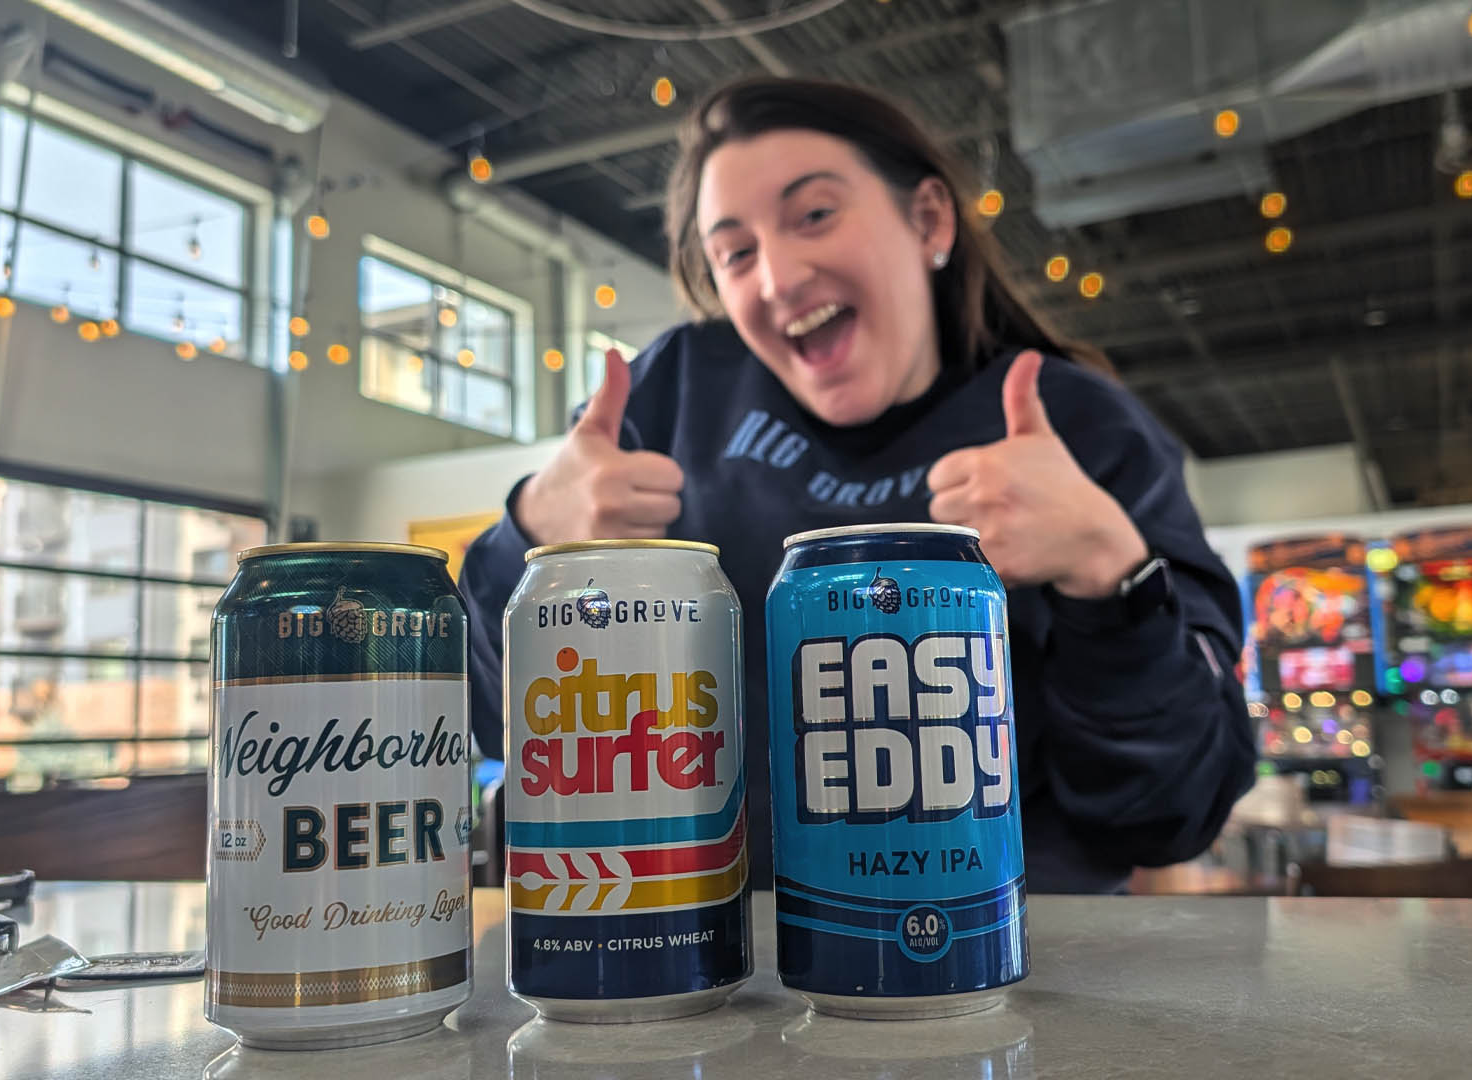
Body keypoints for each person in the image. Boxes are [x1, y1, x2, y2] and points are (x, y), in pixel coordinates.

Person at [458, 75, 1256, 893]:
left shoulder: (1079, 425)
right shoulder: (673, 394)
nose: (778, 277)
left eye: (814, 215)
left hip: (1020, 964)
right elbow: (491, 726)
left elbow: (1174, 813)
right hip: (711, 958)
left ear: (929, 220)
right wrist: (528, 538)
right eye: (736, 253)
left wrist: (1109, 576)